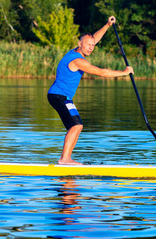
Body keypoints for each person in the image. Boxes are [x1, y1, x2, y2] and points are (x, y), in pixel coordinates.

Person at [47, 16, 133, 165]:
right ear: (79, 44)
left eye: (93, 45)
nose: (91, 47)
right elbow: (101, 73)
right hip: (58, 96)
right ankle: (64, 159)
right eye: (88, 45)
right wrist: (123, 72)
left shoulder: (76, 51)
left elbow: (93, 39)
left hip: (63, 97)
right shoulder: (78, 60)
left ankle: (66, 158)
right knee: (76, 125)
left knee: (77, 126)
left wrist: (107, 25)